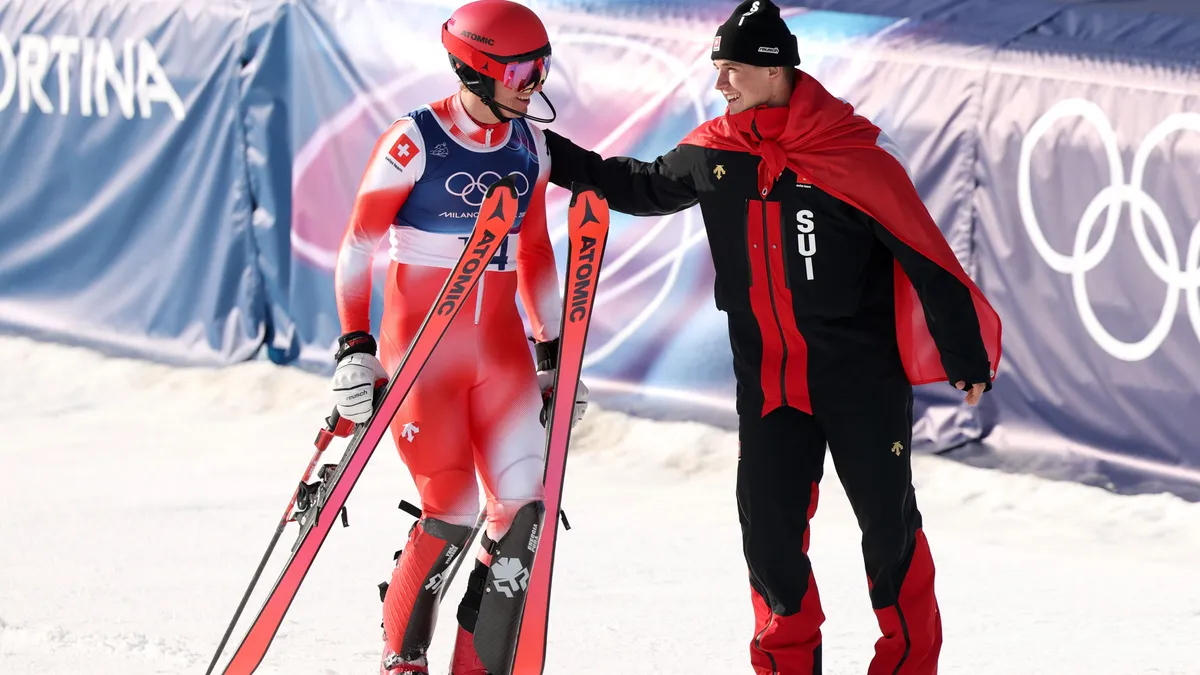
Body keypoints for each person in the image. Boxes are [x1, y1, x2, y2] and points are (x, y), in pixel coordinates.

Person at [540, 1, 1002, 673]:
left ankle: (907, 662)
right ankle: (786, 664)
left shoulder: (853, 153)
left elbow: (924, 252)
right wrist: (550, 155)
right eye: (717, 71)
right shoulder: (715, 150)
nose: (720, 84)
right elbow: (638, 187)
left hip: (859, 383)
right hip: (768, 383)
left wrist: (964, 352)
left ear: (774, 69)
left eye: (731, 71)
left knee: (889, 530)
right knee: (769, 538)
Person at [328, 2, 587, 673]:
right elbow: (358, 245)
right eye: (523, 68)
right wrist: (355, 346)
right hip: (423, 361)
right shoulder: (413, 141)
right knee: (451, 513)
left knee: (523, 512)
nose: (536, 82)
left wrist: (555, 353)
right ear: (476, 70)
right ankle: (403, 652)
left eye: (544, 64)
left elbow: (532, 252)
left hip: (499, 358)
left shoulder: (529, 145)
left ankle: (477, 665)